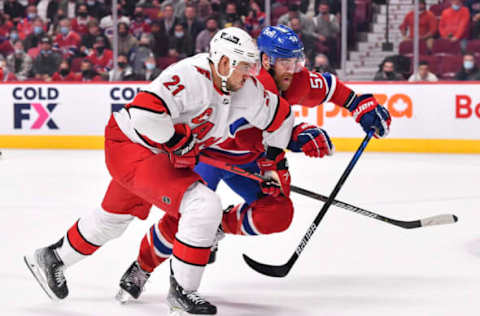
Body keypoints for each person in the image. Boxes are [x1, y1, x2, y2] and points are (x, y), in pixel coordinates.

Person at [24, 27, 296, 315]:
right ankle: (183, 291)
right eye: (245, 66)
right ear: (225, 63)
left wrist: (272, 164)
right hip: (133, 147)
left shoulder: (246, 89)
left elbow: (281, 116)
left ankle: (52, 257)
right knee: (203, 205)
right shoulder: (190, 76)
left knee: (112, 220)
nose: (251, 73)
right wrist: (177, 141)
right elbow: (143, 114)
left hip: (160, 154)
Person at [115, 24, 391, 304]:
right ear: (266, 60)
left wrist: (360, 104)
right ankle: (143, 267)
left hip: (254, 161)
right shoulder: (244, 81)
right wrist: (295, 137)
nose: (294, 68)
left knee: (277, 214)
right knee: (182, 217)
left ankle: (215, 228)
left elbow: (330, 88)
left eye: (297, 60)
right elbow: (238, 130)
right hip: (210, 153)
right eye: (286, 61)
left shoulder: (296, 78)